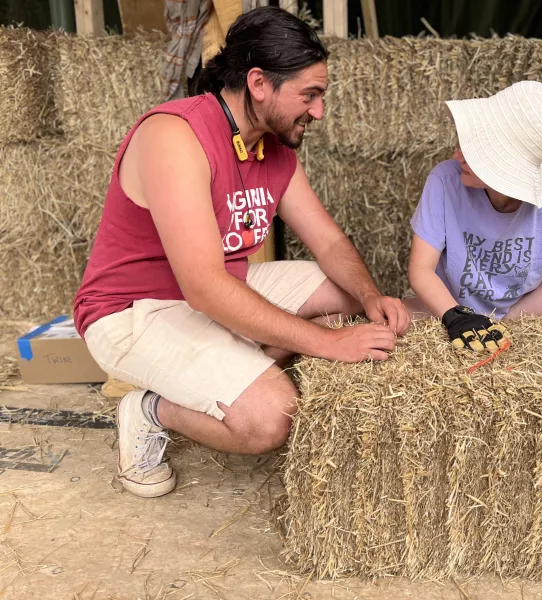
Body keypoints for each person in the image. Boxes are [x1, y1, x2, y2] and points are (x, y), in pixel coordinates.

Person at [73, 7, 409, 498]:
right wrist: (327, 343)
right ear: (258, 83)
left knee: (342, 293)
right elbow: (204, 286)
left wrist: (369, 293)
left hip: (214, 294)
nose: (318, 111)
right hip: (133, 312)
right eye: (309, 95)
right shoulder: (175, 135)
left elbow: (330, 242)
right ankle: (149, 409)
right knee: (272, 418)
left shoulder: (274, 148)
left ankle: (234, 361)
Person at [405, 81, 542, 351]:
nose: (457, 155)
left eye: (473, 152)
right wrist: (453, 315)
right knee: (393, 318)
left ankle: (503, 328)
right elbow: (420, 270)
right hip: (447, 305)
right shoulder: (444, 180)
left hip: (517, 310)